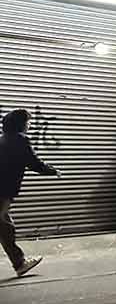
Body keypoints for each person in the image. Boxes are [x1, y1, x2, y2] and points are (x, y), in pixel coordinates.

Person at [0, 109, 59, 278]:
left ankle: (19, 263)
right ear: (20, 124)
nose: (30, 125)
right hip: (2, 191)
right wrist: (53, 171)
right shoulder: (20, 140)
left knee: (5, 227)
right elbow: (33, 163)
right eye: (28, 122)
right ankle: (19, 263)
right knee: (4, 225)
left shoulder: (2, 139)